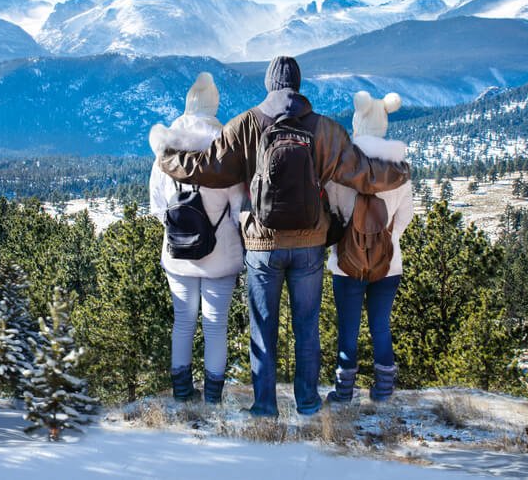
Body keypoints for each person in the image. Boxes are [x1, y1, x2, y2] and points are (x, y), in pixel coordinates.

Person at [156, 56, 410, 417]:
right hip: (309, 243)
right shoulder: (325, 129)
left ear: (268, 85)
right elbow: (363, 174)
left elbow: (207, 167)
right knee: (307, 327)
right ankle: (307, 402)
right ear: (299, 85)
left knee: (263, 327)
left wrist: (166, 156)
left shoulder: (245, 124)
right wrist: (399, 171)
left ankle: (264, 406)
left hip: (262, 243)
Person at [149, 72, 246, 404]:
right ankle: (213, 399)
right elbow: (239, 209)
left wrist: (181, 229)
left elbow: (158, 206)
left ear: (187, 107)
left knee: (183, 323)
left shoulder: (166, 152)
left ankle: (181, 393)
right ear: (214, 106)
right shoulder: (226, 152)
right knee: (216, 327)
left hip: (178, 253)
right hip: (220, 255)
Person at [324, 91, 414, 403]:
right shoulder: (400, 170)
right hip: (388, 263)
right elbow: (405, 216)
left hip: (345, 262)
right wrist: (387, 240)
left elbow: (331, 210)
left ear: (357, 123)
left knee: (348, 329)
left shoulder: (341, 167)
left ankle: (344, 391)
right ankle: (384, 391)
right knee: (380, 327)